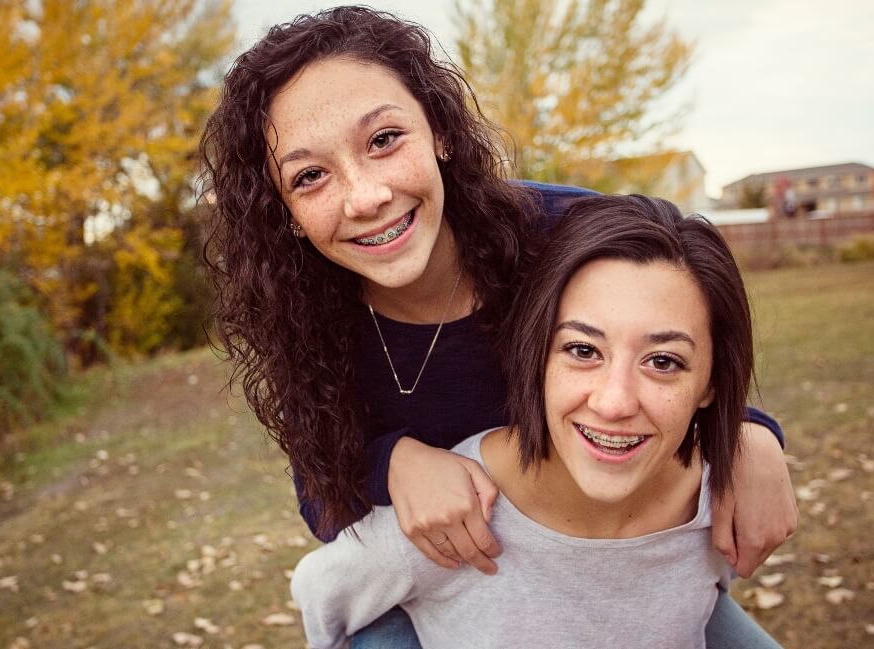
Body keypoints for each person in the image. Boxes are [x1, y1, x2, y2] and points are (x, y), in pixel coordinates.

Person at [198, 6, 796, 646]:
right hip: (442, 574)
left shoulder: (567, 237)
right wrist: (394, 464)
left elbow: (680, 332)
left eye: (383, 140)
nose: (365, 196)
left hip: (598, 554)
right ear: (284, 211)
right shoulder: (302, 312)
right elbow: (321, 488)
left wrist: (750, 435)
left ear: (440, 133)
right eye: (310, 176)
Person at [291, 194, 780, 648]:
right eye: (583, 350)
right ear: (536, 359)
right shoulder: (453, 518)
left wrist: (754, 434)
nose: (615, 403)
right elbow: (323, 594)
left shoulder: (723, 506)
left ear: (712, 383)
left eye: (664, 361)